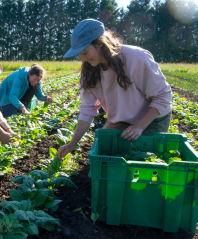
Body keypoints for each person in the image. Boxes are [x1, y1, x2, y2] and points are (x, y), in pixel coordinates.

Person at [58, 19, 172, 160]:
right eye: (79, 55)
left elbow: (163, 96)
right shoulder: (89, 71)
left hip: (151, 118)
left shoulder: (135, 58)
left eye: (85, 52)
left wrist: (139, 126)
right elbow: (88, 110)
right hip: (121, 118)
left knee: (142, 158)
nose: (83, 59)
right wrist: (72, 144)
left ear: (99, 44)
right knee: (104, 155)